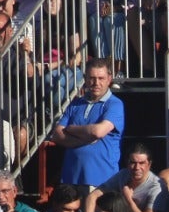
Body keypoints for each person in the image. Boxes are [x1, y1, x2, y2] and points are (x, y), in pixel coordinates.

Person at [51, 59, 124, 190]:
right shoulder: (76, 103)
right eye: (92, 78)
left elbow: (98, 132)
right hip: (70, 177)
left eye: (101, 78)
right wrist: (87, 138)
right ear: (85, 78)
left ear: (109, 79)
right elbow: (57, 135)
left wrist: (71, 129)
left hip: (101, 180)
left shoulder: (114, 104)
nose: (96, 83)